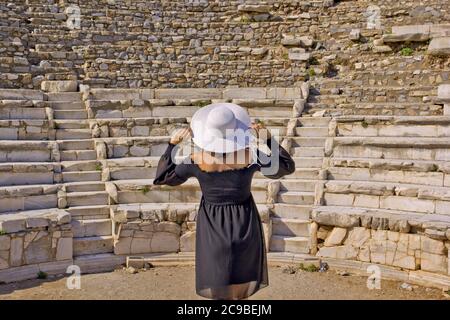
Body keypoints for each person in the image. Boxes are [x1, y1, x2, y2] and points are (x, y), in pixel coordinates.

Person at [153, 103, 295, 300]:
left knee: (218, 280)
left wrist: (172, 145)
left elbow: (163, 177)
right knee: (241, 282)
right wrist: (268, 139)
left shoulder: (195, 159)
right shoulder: (250, 155)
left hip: (212, 225)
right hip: (244, 222)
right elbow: (286, 166)